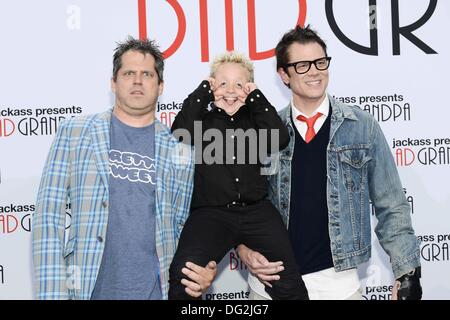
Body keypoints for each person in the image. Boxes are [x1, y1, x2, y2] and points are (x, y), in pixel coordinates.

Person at [237, 25, 422, 300]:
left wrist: (407, 274)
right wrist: (243, 248)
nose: (314, 71)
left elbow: (392, 204)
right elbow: (237, 205)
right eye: (301, 65)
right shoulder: (261, 132)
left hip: (339, 287)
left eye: (320, 62)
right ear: (283, 75)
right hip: (270, 286)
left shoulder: (362, 127)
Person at [32, 37, 217, 300]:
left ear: (160, 85)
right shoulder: (74, 132)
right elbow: (48, 218)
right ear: (113, 82)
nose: (138, 80)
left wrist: (204, 266)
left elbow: (185, 226)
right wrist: (53, 295)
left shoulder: (181, 149)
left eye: (147, 74)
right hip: (88, 291)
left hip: (158, 292)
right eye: (129, 73)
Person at [169, 51, 309, 300]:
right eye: (222, 83)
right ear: (212, 87)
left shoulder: (257, 119)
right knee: (185, 277)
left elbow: (280, 138)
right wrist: (204, 90)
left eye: (239, 84)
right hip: (210, 213)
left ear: (250, 89)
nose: (231, 90)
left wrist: (255, 98)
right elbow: (180, 131)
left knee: (286, 279)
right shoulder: (203, 119)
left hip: (257, 211)